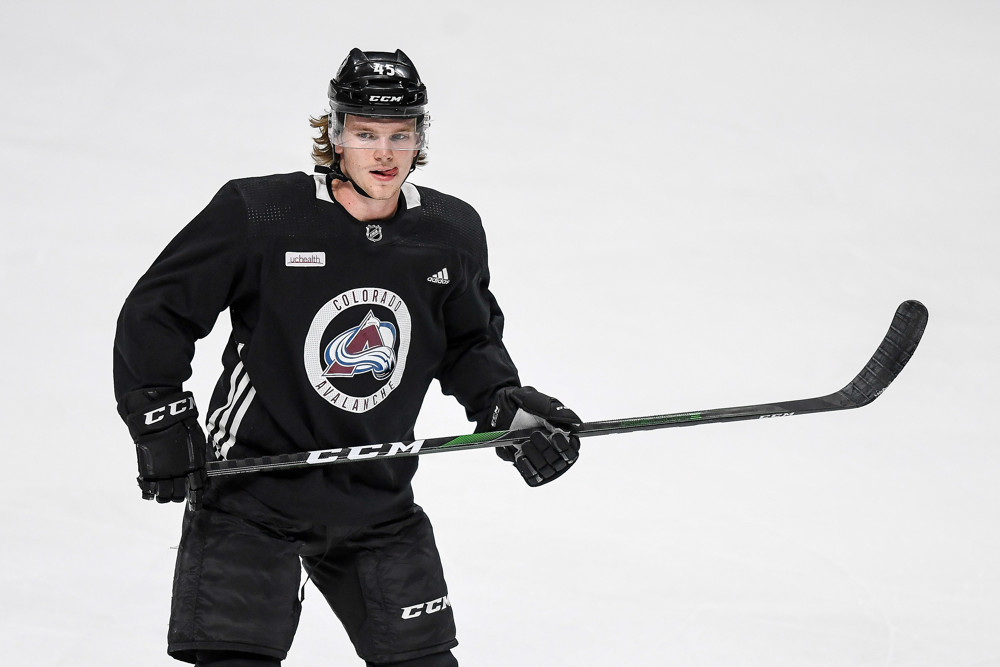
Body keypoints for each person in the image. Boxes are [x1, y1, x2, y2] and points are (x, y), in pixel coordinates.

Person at [113, 48, 582, 667]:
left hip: (377, 497)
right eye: (365, 133)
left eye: (400, 134)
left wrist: (503, 404)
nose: (385, 154)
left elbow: (468, 342)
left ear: (420, 139)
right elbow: (158, 312)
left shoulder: (448, 232)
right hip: (254, 494)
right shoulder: (262, 215)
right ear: (334, 135)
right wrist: (162, 422)